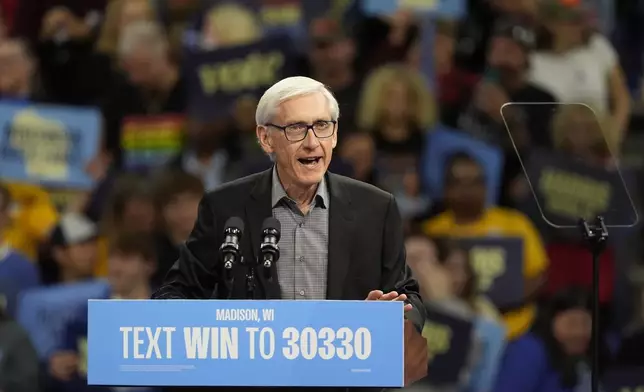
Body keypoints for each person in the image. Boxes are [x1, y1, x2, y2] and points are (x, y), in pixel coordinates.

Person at [154, 76, 428, 389]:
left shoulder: (375, 208)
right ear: (266, 138)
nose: (312, 142)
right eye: (296, 128)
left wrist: (393, 316)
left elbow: (409, 297)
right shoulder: (226, 206)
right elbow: (178, 291)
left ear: (335, 135)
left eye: (323, 126)